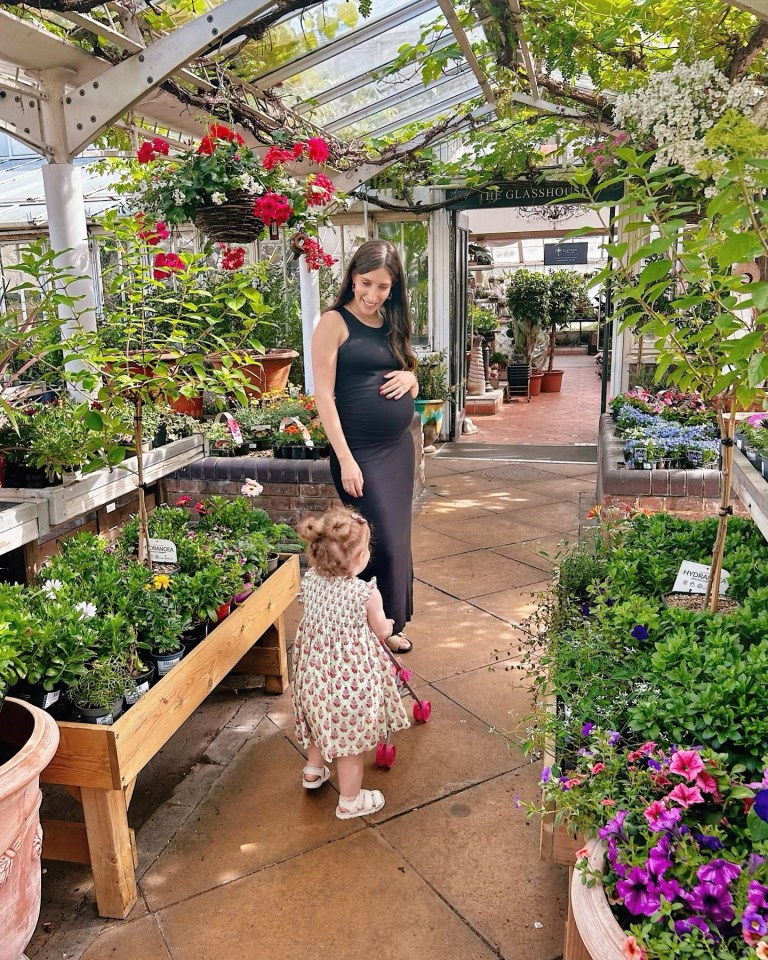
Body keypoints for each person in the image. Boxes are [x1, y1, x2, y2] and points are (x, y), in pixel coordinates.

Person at [312, 238, 418, 653]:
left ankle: (393, 621)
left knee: (399, 539)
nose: (373, 295)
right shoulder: (334, 322)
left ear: (394, 289)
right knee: (379, 541)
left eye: (383, 287)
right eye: (366, 283)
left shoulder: (391, 322)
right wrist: (345, 460)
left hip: (398, 450)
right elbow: (324, 396)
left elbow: (404, 368)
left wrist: (412, 379)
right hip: (359, 454)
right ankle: (373, 623)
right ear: (353, 277)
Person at [292, 507, 410, 819]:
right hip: (350, 682)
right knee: (350, 743)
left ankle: (313, 771)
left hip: (314, 676)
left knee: (320, 719)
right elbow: (382, 630)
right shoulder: (365, 594)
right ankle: (350, 800)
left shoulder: (310, 581)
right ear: (359, 559)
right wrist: (390, 624)